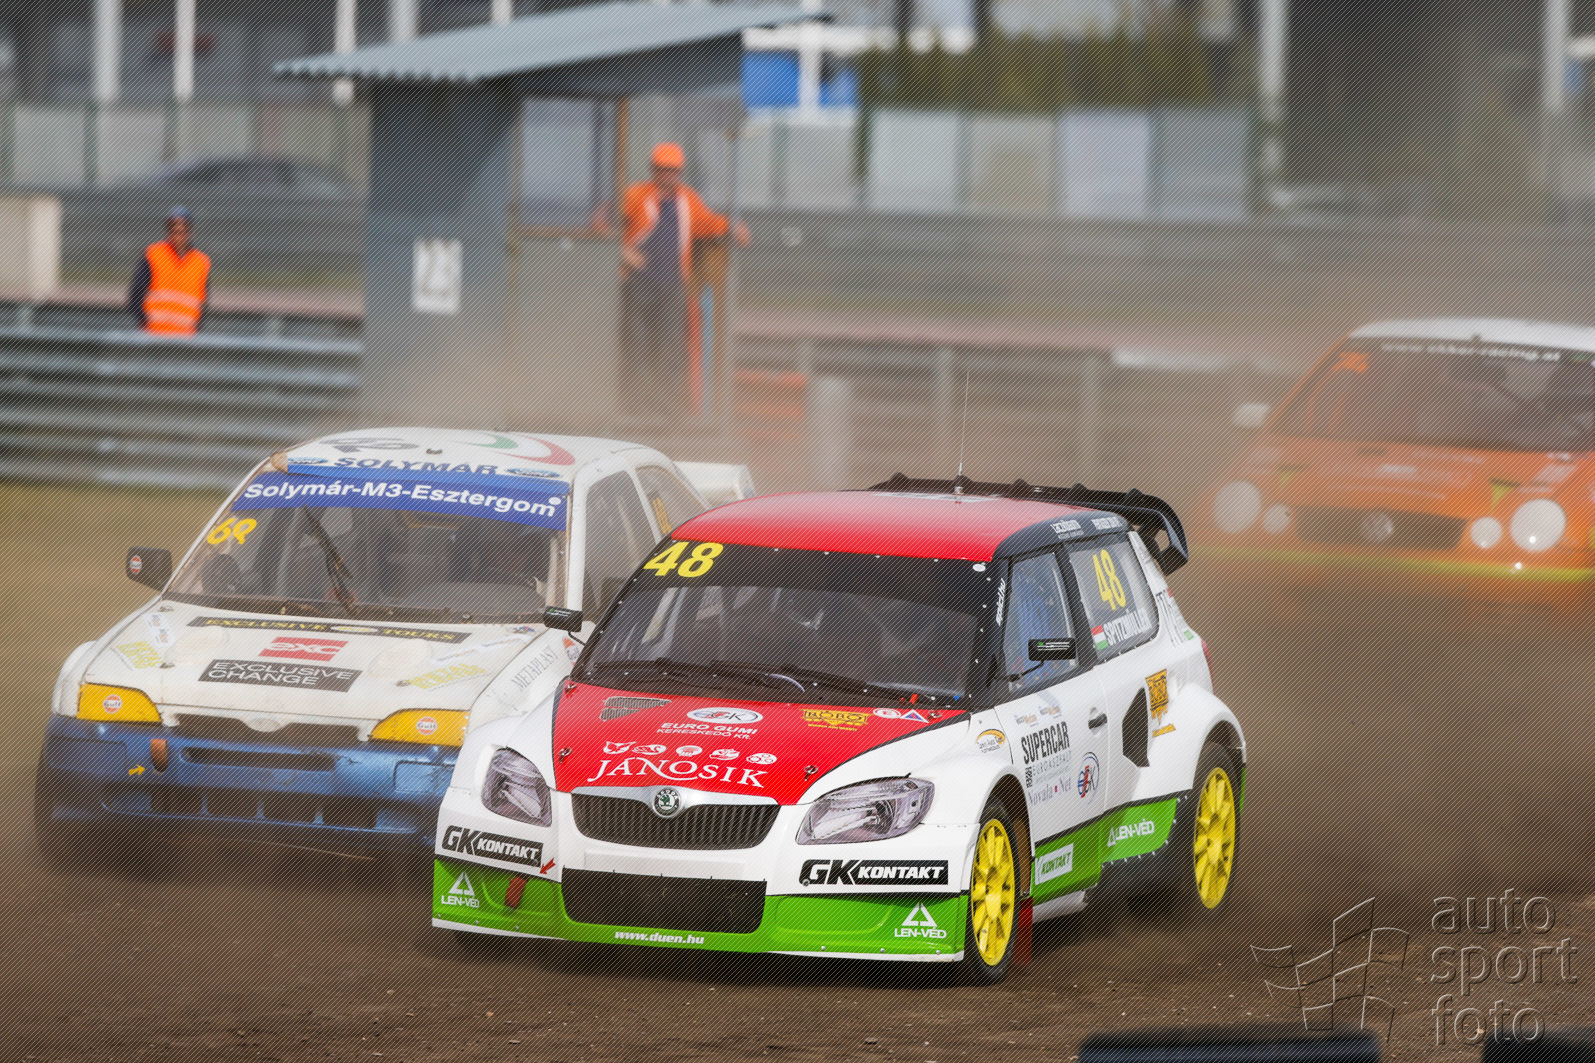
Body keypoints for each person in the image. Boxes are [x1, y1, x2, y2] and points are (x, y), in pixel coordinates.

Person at [618, 142, 749, 413]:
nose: (667, 175)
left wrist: (732, 226)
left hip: (673, 285)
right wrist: (623, 251)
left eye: (673, 170)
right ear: (653, 170)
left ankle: (666, 410)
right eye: (662, 169)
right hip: (638, 284)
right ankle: (635, 408)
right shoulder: (635, 194)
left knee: (670, 348)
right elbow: (606, 223)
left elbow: (707, 223)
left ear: (680, 172)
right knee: (637, 347)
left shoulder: (687, 199)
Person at [127, 206, 211, 335]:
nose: (178, 235)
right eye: (174, 229)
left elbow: (203, 303)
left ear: (190, 232)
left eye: (183, 230)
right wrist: (144, 322)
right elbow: (136, 293)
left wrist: (196, 328)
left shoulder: (201, 261)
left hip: (186, 338)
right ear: (168, 231)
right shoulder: (153, 254)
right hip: (153, 335)